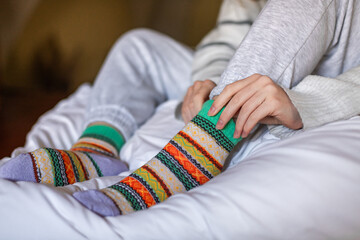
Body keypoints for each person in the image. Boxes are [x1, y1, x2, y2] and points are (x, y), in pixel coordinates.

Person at [1, 0, 360, 216]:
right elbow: (227, 36)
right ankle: (97, 149)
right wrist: (208, 80)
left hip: (326, 78)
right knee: (137, 45)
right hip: (244, 77)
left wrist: (304, 103)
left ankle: (202, 144)